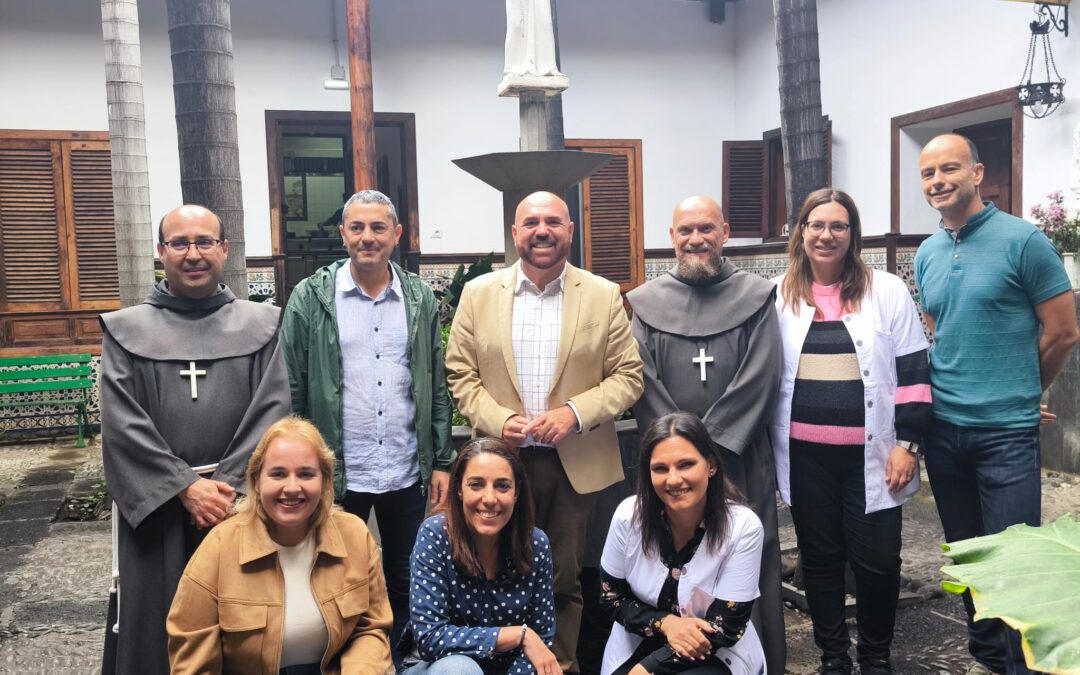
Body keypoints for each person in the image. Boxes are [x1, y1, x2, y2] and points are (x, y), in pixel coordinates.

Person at [445, 191, 644, 672]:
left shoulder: (601, 294)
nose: (541, 230)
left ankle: (558, 665)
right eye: (530, 221)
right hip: (499, 463)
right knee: (493, 570)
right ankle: (502, 659)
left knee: (562, 578)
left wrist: (574, 413)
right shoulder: (479, 294)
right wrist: (495, 420)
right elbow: (459, 371)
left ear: (569, 230)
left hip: (570, 465)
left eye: (553, 221)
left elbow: (628, 376)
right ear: (515, 233)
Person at [99, 204, 291, 675]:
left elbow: (272, 412)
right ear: (160, 252)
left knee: (243, 627)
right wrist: (185, 487)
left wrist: (224, 488)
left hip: (238, 505)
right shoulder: (126, 331)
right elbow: (121, 424)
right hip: (159, 509)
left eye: (204, 242)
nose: (193, 254)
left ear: (224, 249)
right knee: (155, 628)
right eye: (180, 243)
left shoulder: (260, 325)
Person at [914, 134, 1080, 675]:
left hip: (1006, 435)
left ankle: (1021, 666)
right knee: (968, 557)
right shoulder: (928, 251)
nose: (938, 180)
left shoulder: (1024, 242)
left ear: (978, 172)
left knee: (1016, 563)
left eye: (949, 169)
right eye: (928, 173)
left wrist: (1024, 390)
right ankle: (986, 657)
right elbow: (939, 329)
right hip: (944, 430)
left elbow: (1063, 332)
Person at [281, 189, 455, 653]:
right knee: (333, 575)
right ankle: (337, 660)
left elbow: (435, 386)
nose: (367, 237)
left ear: (396, 235)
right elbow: (291, 387)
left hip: (404, 466)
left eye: (378, 228)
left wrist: (441, 461)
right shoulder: (310, 298)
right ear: (343, 235)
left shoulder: (418, 298)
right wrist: (300, 464)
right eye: (356, 228)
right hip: (337, 471)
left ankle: (399, 659)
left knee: (406, 577)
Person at [770, 189, 932, 675]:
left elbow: (914, 372)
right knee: (820, 561)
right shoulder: (777, 294)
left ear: (852, 235)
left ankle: (876, 657)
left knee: (879, 562)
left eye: (838, 226)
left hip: (877, 457)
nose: (826, 235)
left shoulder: (886, 290)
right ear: (801, 232)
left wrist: (908, 445)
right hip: (806, 458)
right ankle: (835, 658)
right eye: (816, 225)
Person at [626, 195, 784, 674]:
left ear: (725, 231)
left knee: (748, 560)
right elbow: (641, 379)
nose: (696, 239)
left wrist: (706, 449)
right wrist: (682, 457)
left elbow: (762, 375)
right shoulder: (646, 303)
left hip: (738, 459)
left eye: (706, 229)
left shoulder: (756, 297)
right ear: (671, 238)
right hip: (668, 470)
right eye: (685, 231)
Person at [167, 415, 393, 675]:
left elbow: (370, 627)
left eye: (306, 474)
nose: (292, 487)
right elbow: (193, 659)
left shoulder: (354, 535)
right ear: (255, 481)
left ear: (324, 481)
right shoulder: (218, 548)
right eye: (278, 474)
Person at [599, 411, 765, 675]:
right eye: (660, 468)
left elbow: (726, 626)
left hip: (713, 649)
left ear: (710, 466)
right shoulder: (627, 517)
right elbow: (611, 598)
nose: (673, 479)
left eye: (685, 464)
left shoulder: (744, 527)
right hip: (641, 637)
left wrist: (646, 670)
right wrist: (666, 624)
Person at [402, 438, 559, 675]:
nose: (489, 498)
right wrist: (517, 634)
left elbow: (541, 639)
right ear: (459, 489)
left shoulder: (536, 544)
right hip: (439, 667)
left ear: (516, 492)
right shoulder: (435, 535)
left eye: (502, 486)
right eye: (476, 484)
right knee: (460, 670)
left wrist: (527, 641)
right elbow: (430, 638)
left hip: (508, 670)